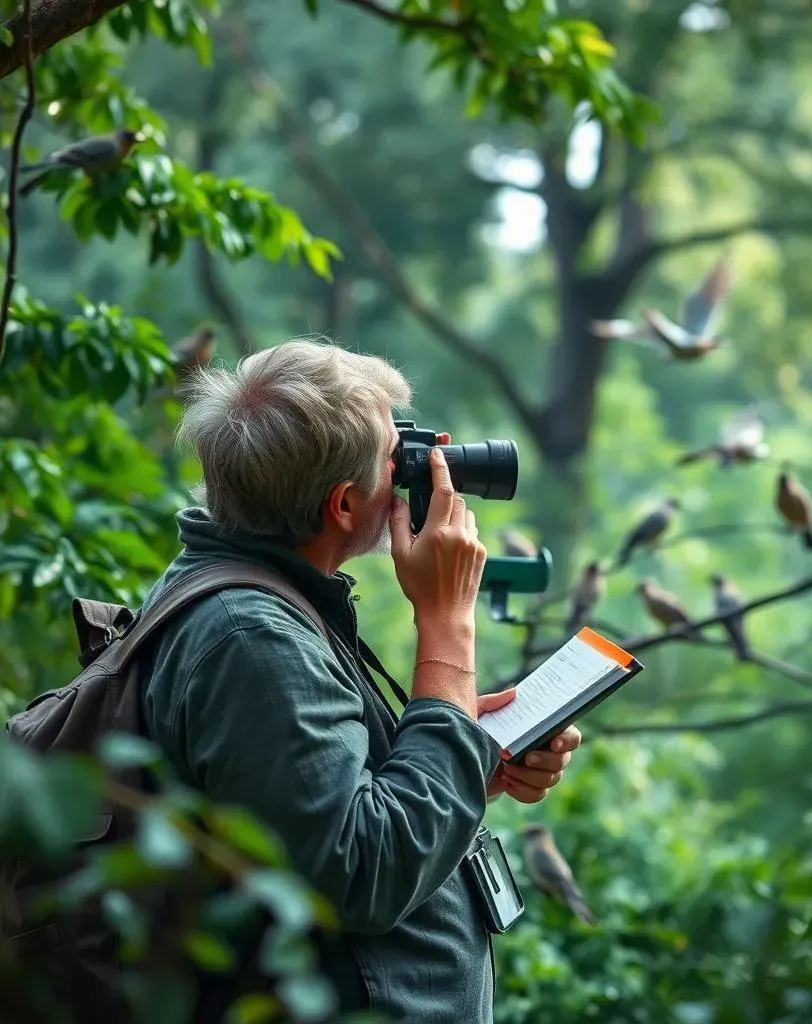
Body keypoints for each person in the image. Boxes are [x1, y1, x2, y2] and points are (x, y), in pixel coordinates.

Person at [138, 339, 582, 1023]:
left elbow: (319, 805)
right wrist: (446, 621)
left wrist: (463, 755)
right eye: (392, 457)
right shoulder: (251, 638)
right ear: (344, 505)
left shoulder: (269, 602)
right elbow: (362, 872)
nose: (412, 468)